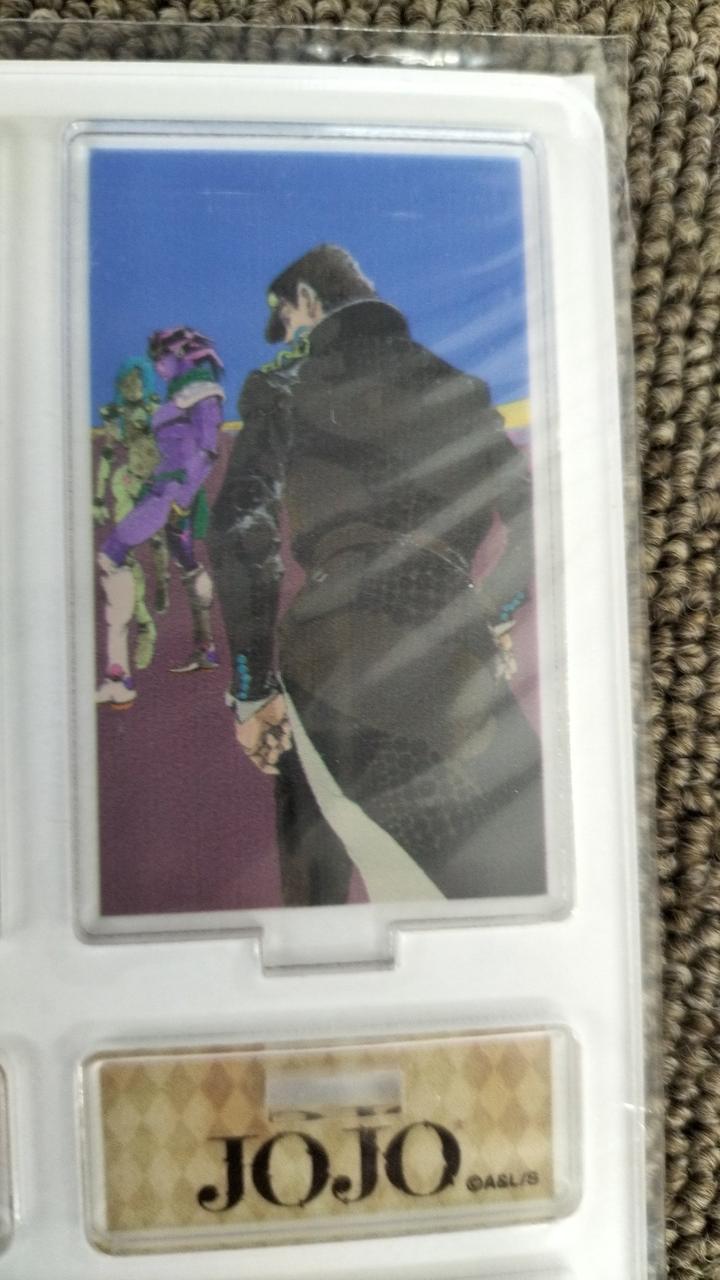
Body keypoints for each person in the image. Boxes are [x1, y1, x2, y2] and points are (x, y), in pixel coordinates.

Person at [209, 245, 545, 905]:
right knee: (515, 879)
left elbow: (242, 531)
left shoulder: (284, 384)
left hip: (336, 645)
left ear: (308, 299)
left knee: (318, 906)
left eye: (286, 321)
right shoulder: (459, 385)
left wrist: (251, 690)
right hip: (456, 643)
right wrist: (495, 612)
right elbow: (530, 519)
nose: (288, 337)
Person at [96, 327, 225, 708]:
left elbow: (207, 451)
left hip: (171, 494)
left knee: (110, 556)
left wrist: (179, 499)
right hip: (162, 489)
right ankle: (206, 646)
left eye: (160, 357)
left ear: (181, 353)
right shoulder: (180, 393)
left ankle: (118, 677)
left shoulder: (203, 392)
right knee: (186, 561)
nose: (156, 366)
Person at [93, 355, 167, 672]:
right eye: (127, 382)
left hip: (153, 485)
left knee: (158, 545)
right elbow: (108, 455)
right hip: (126, 483)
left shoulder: (155, 409)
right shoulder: (115, 415)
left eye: (137, 381)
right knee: (124, 558)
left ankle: (162, 580)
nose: (132, 387)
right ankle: (145, 624)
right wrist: (98, 498)